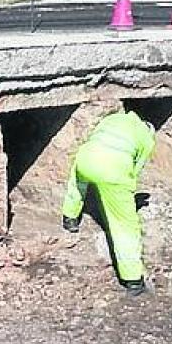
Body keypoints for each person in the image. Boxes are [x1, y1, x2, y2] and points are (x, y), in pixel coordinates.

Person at [61, 110, 157, 296]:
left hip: (86, 158)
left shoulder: (114, 118)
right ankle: (133, 280)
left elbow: (93, 140)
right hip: (113, 172)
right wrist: (126, 198)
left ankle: (70, 218)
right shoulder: (147, 139)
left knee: (77, 183)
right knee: (124, 226)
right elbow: (135, 171)